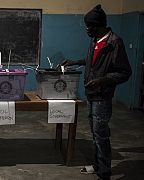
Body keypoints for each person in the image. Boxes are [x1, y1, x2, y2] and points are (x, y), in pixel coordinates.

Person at [61, 4, 132, 180]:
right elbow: (92, 60)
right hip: (92, 94)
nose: (87, 30)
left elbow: (124, 72)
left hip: (102, 95)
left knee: (101, 135)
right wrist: (75, 61)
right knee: (95, 133)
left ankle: (104, 171)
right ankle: (97, 165)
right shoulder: (96, 41)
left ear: (98, 26)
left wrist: (101, 80)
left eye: (89, 26)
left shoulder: (114, 42)